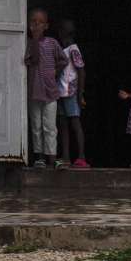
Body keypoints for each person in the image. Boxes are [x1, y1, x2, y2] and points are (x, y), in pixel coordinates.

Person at [24, 8, 67, 168]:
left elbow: (64, 60)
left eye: (40, 22)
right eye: (33, 22)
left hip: (50, 92)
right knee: (36, 126)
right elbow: (33, 59)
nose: (36, 25)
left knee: (50, 126)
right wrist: (34, 39)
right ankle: (39, 157)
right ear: (29, 25)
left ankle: (51, 157)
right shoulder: (28, 43)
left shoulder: (52, 43)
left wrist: (56, 70)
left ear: (46, 26)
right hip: (35, 93)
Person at [55, 20, 88, 169]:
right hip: (61, 93)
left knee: (75, 123)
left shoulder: (73, 49)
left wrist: (80, 94)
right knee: (63, 125)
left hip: (71, 93)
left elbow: (81, 72)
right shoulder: (63, 49)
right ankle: (66, 157)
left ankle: (81, 157)